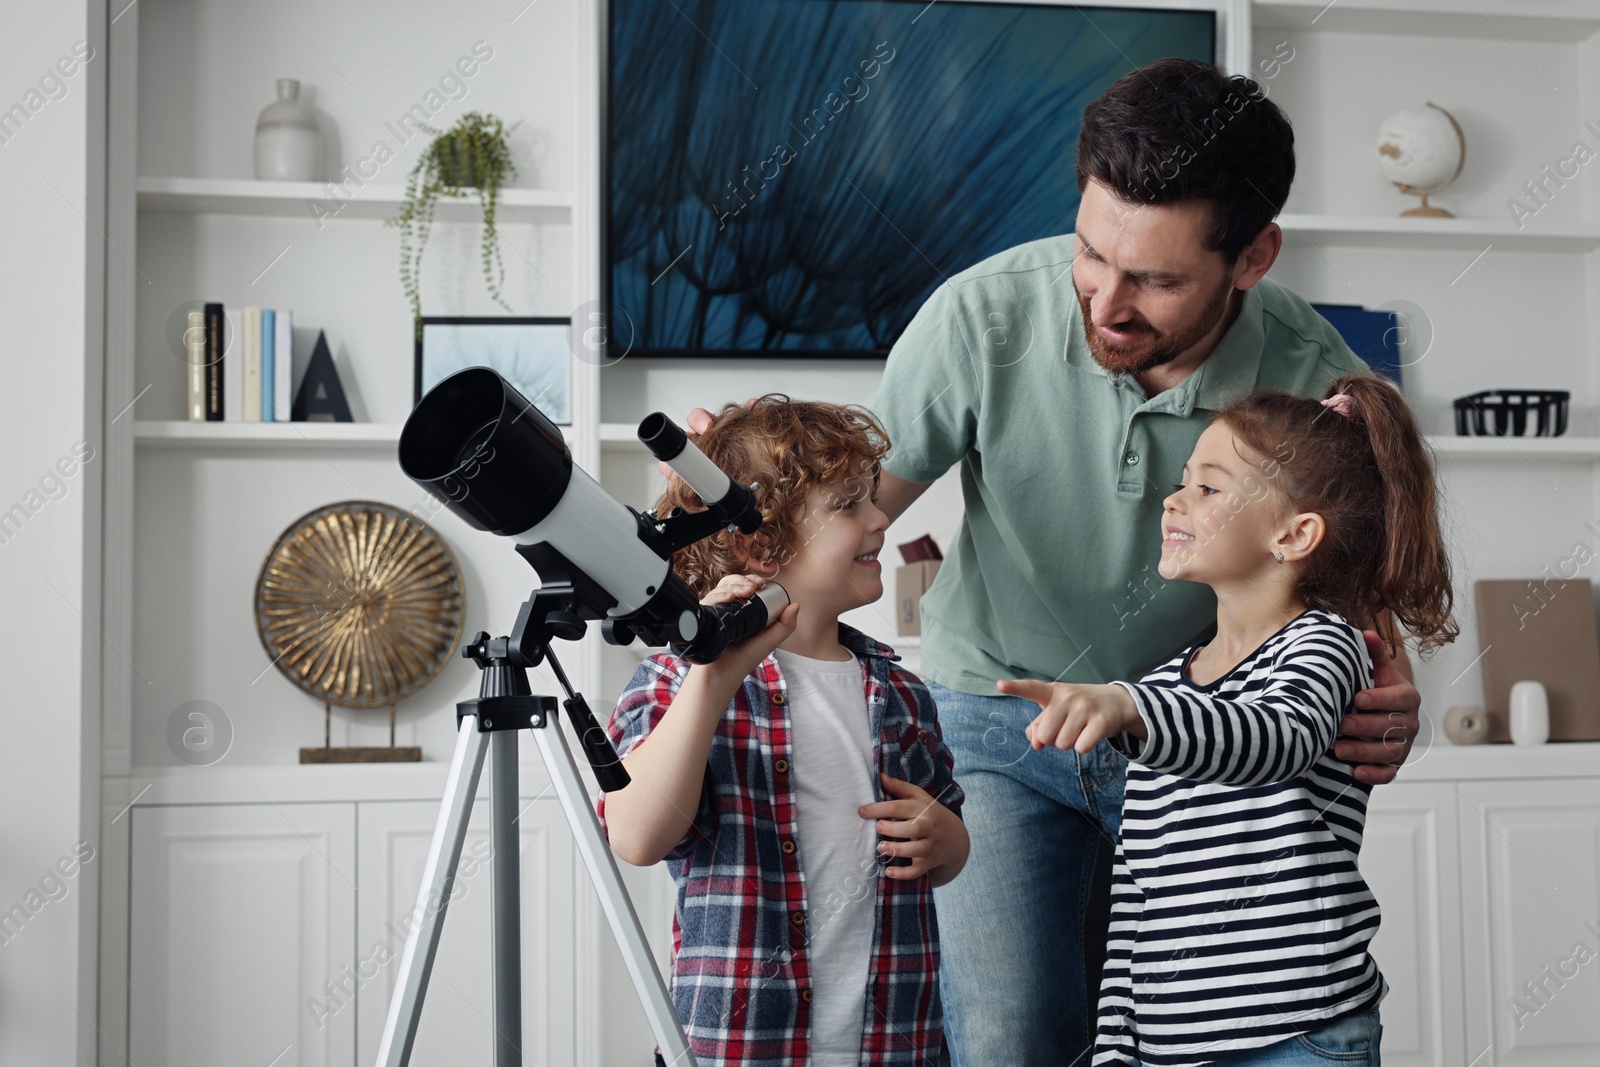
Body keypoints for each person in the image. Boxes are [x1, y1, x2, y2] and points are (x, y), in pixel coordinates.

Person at [677, 58, 1425, 1065]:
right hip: (992, 718)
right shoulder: (981, 316)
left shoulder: (1311, 373)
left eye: (1154, 279)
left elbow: (1355, 601)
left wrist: (1386, 680)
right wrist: (730, 506)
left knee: (1203, 1028)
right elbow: (837, 525)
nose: (1104, 303)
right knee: (1010, 1033)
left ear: (1252, 257)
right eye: (1089, 252)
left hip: (1193, 739)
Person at [1006, 374, 1458, 1066]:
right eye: (1184, 481)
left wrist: (1130, 705)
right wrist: (1117, 1045)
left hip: (1302, 1033)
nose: (1174, 499)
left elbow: (1274, 739)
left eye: (1208, 487)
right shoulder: (1164, 688)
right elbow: (1139, 887)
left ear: (1293, 533)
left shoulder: (1324, 645)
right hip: (1168, 1046)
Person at [600, 396, 969, 1067]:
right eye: (849, 504)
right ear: (757, 543)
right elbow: (635, 835)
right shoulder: (674, 682)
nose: (882, 517)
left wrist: (947, 839)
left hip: (895, 1045)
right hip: (741, 1048)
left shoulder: (903, 693)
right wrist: (707, 680)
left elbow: (943, 843)